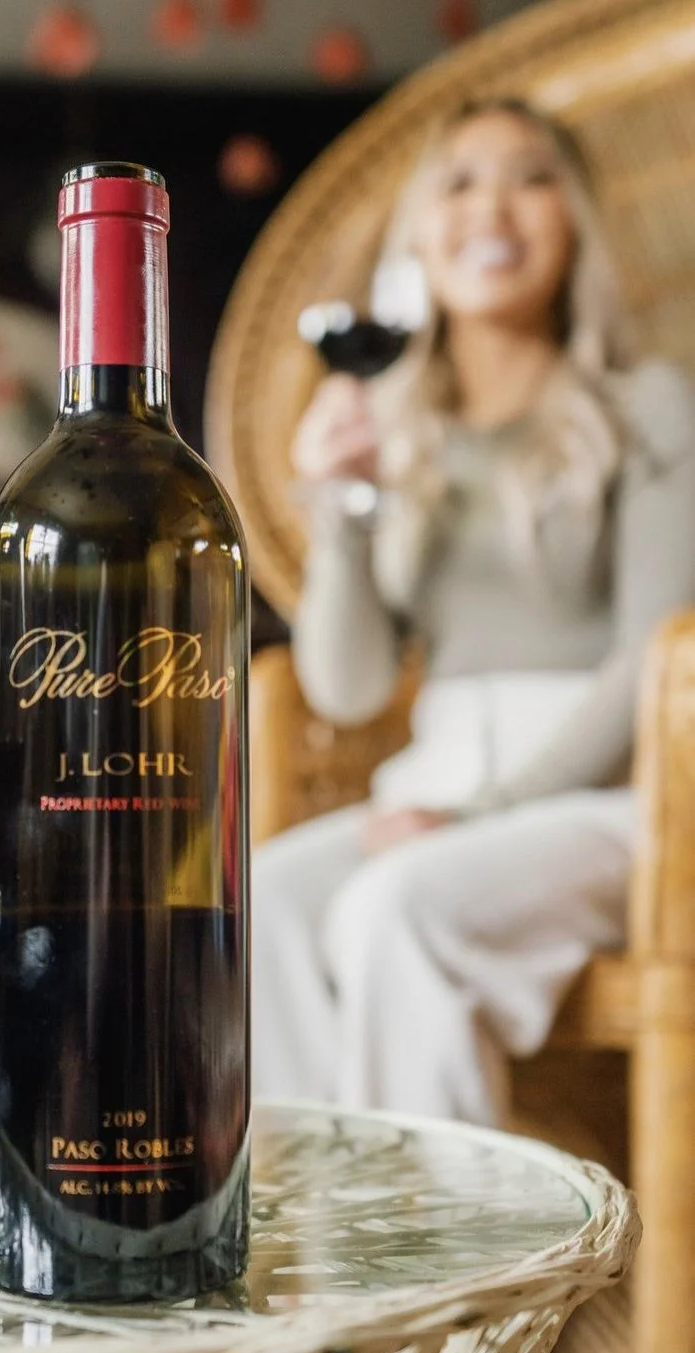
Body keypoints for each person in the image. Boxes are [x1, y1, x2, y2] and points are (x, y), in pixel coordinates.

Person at [253, 96, 695, 1126]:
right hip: (435, 785)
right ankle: (332, 1244)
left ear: (575, 221)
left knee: (393, 911)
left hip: (617, 800)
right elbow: (347, 683)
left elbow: (657, 654)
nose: (492, 203)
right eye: (458, 180)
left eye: (532, 177)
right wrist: (346, 506)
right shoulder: (401, 432)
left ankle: (458, 1274)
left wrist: (481, 814)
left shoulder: (649, 406)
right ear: (420, 233)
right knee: (262, 903)